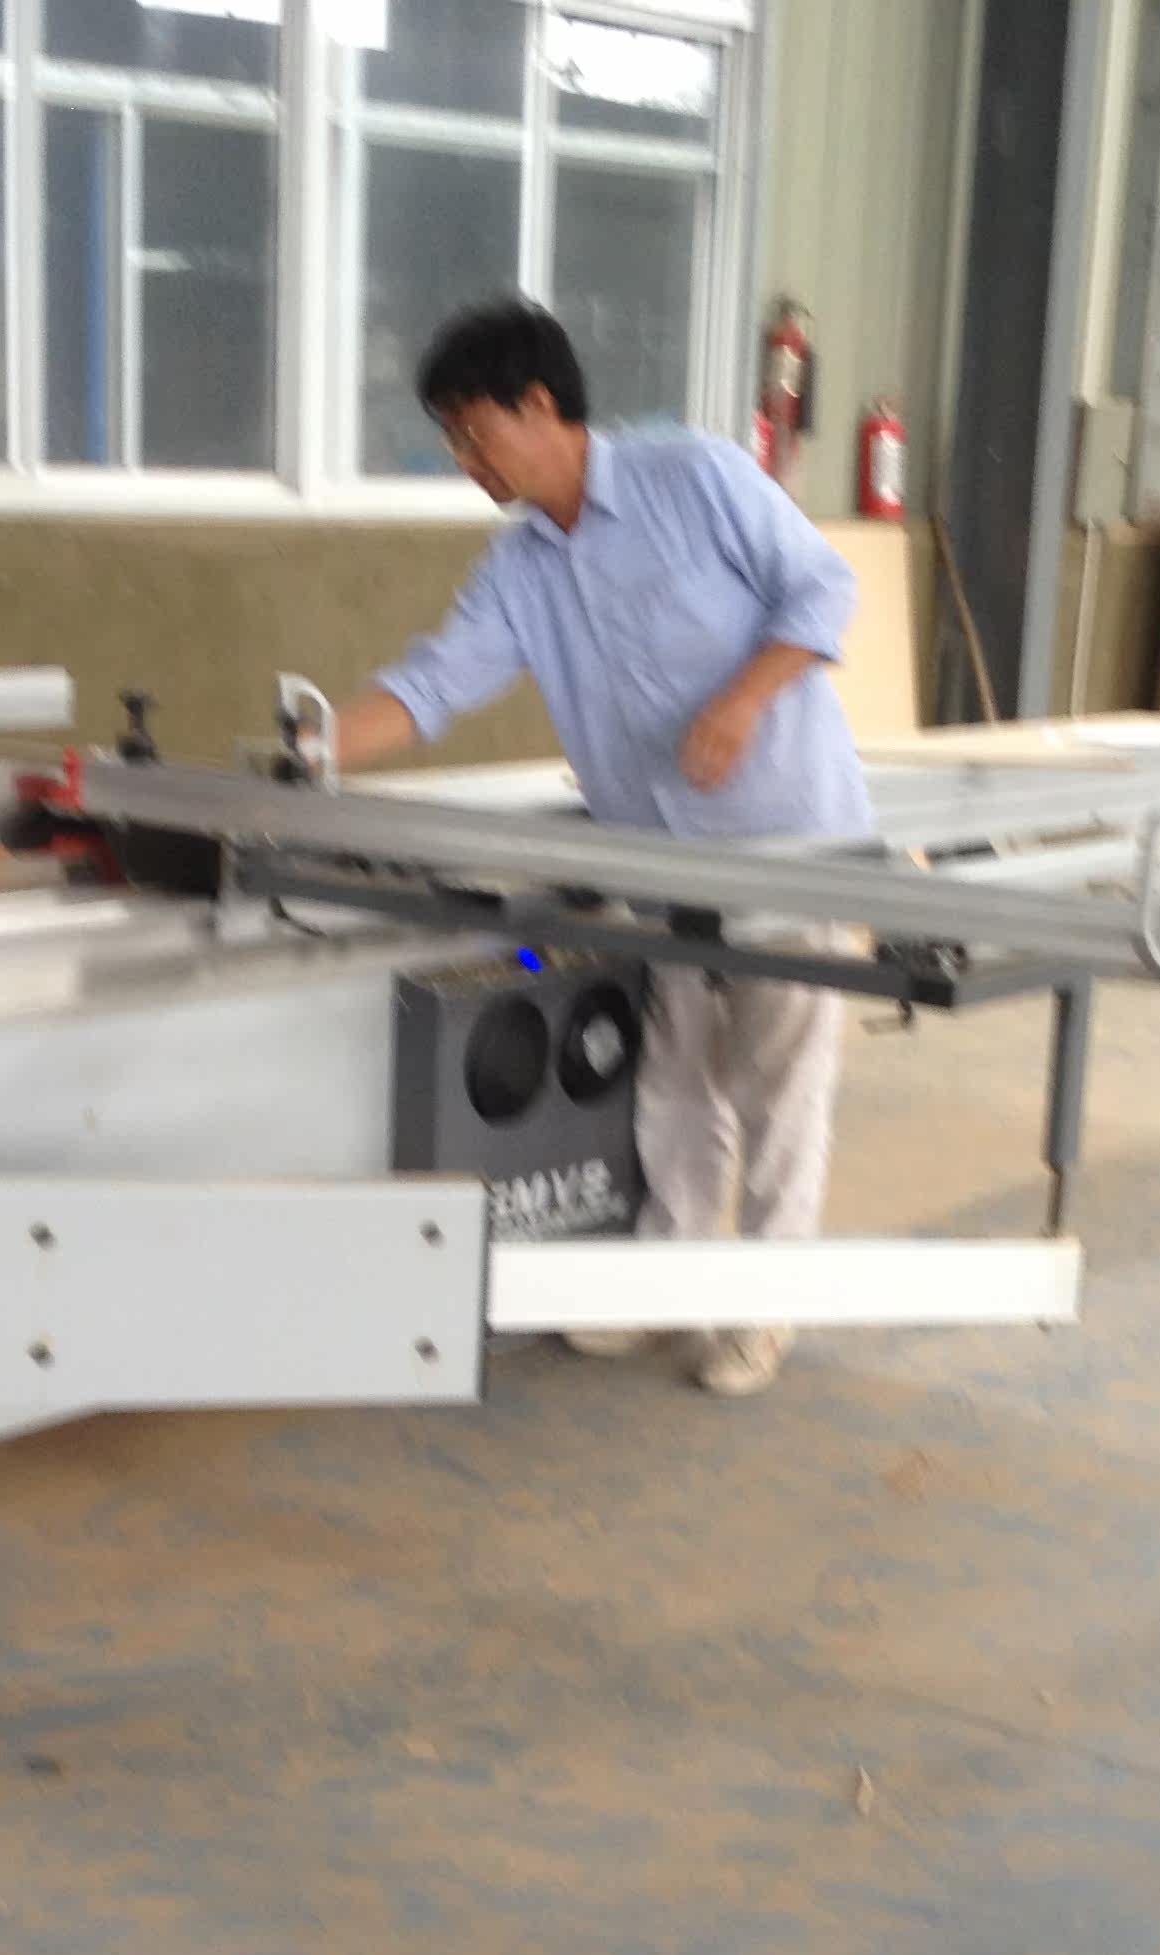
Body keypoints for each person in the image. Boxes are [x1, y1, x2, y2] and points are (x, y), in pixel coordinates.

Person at [333, 300, 875, 1398]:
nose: (465, 459)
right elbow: (433, 683)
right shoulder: (521, 570)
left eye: (474, 431)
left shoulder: (696, 479)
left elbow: (825, 587)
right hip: (656, 862)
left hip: (785, 842)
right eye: (451, 438)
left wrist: (742, 700)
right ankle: (665, 1282)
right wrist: (306, 753)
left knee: (778, 1090)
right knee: (673, 1083)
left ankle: (764, 1306)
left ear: (540, 405)